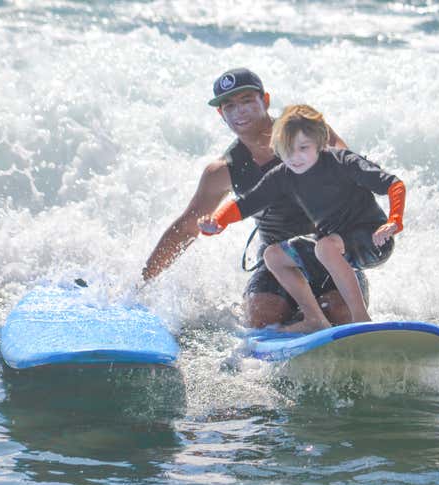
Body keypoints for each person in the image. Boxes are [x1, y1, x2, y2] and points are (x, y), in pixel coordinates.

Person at [141, 68, 364, 328]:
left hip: (331, 252)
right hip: (276, 261)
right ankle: (298, 323)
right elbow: (186, 228)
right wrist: (143, 284)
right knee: (261, 319)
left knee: (340, 313)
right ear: (221, 114)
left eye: (247, 100)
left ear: (265, 100)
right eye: (230, 106)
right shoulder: (222, 171)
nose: (239, 111)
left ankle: (316, 319)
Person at [197, 104, 406, 333]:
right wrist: (218, 221)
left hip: (373, 239)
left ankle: (361, 320)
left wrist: (394, 220)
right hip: (333, 248)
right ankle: (314, 318)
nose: (295, 157)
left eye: (303, 148)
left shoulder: (343, 162)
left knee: (325, 247)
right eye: (287, 150)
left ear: (319, 142)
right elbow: (246, 203)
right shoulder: (284, 175)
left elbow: (394, 185)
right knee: (273, 255)